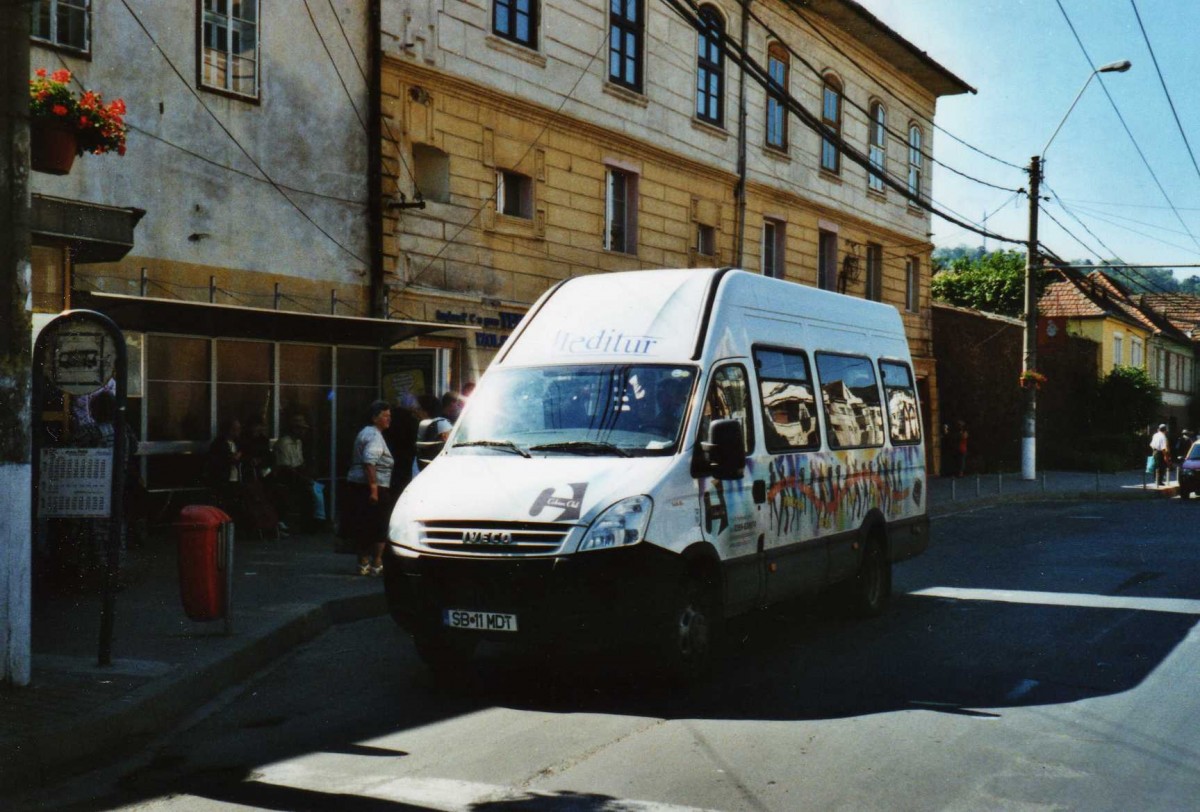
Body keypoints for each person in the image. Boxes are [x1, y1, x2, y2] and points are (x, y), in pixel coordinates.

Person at [345, 400, 394, 576]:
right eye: (385, 416)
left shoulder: (365, 433)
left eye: (390, 416)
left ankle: (363, 562)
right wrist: (374, 490)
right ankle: (376, 563)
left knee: (363, 524)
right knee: (380, 525)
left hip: (357, 484)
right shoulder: (374, 436)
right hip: (374, 486)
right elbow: (369, 461)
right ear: (374, 418)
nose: (389, 419)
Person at [205, 417, 243, 515]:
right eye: (236, 429)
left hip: (235, 478)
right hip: (224, 479)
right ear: (230, 430)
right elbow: (215, 461)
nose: (239, 431)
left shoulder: (238, 443)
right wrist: (230, 459)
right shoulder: (219, 444)